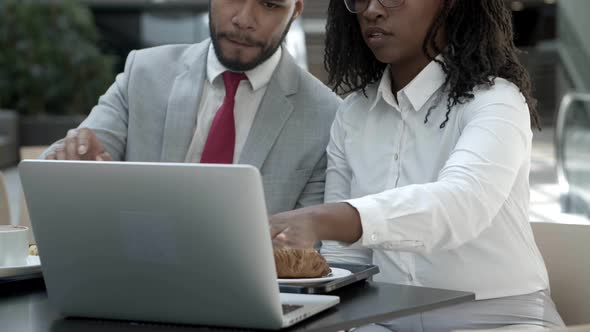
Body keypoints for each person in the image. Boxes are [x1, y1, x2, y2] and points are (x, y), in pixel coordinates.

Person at [269, 0, 565, 330]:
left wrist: (325, 219)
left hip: (499, 320)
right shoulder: (353, 115)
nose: (372, 11)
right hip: (386, 320)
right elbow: (348, 261)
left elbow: (460, 205)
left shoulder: (496, 101)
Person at [41, 0, 341, 214]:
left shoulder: (325, 116)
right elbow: (62, 167)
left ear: (296, 11)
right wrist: (73, 154)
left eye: (270, 4)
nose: (244, 18)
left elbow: (309, 254)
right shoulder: (143, 73)